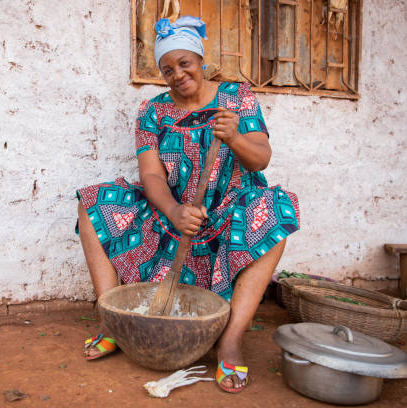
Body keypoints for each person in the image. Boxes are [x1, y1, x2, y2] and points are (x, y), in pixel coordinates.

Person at [76, 16, 300, 393]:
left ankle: (230, 339)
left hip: (228, 214)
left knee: (276, 210)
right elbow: (151, 177)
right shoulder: (152, 112)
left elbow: (259, 159)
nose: (178, 74)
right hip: (174, 217)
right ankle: (112, 321)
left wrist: (235, 138)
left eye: (184, 63)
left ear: (200, 59)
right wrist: (175, 212)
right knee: (92, 201)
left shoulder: (237, 97)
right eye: (167, 70)